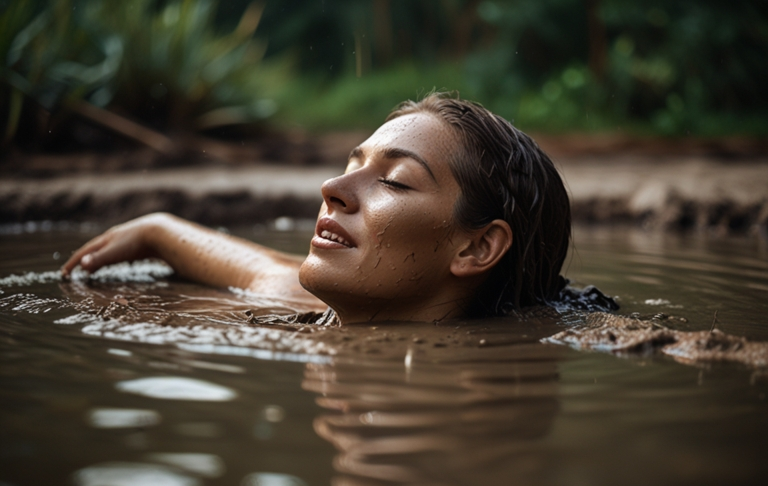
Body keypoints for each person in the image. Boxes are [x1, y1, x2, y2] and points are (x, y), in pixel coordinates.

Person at [62, 92, 572, 325]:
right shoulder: (315, 308)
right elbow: (264, 269)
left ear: (477, 246)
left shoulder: (503, 365)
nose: (332, 186)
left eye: (394, 182)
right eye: (351, 164)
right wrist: (157, 230)